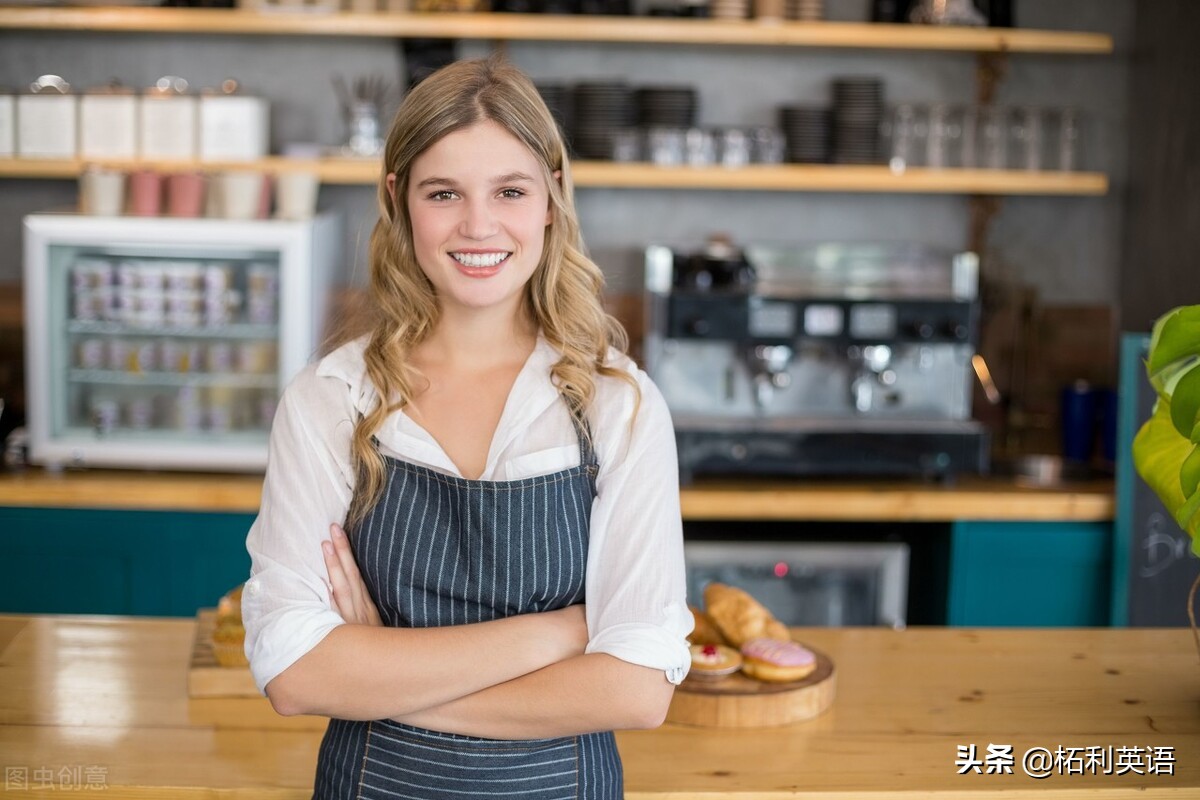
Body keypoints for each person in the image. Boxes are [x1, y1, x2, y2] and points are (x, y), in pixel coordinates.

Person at [241, 55, 692, 799]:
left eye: (510, 191)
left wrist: (380, 667)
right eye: (443, 192)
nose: (478, 226)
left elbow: (637, 692)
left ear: (551, 198)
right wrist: (559, 634)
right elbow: (294, 673)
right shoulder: (332, 400)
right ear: (399, 200)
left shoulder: (618, 405)